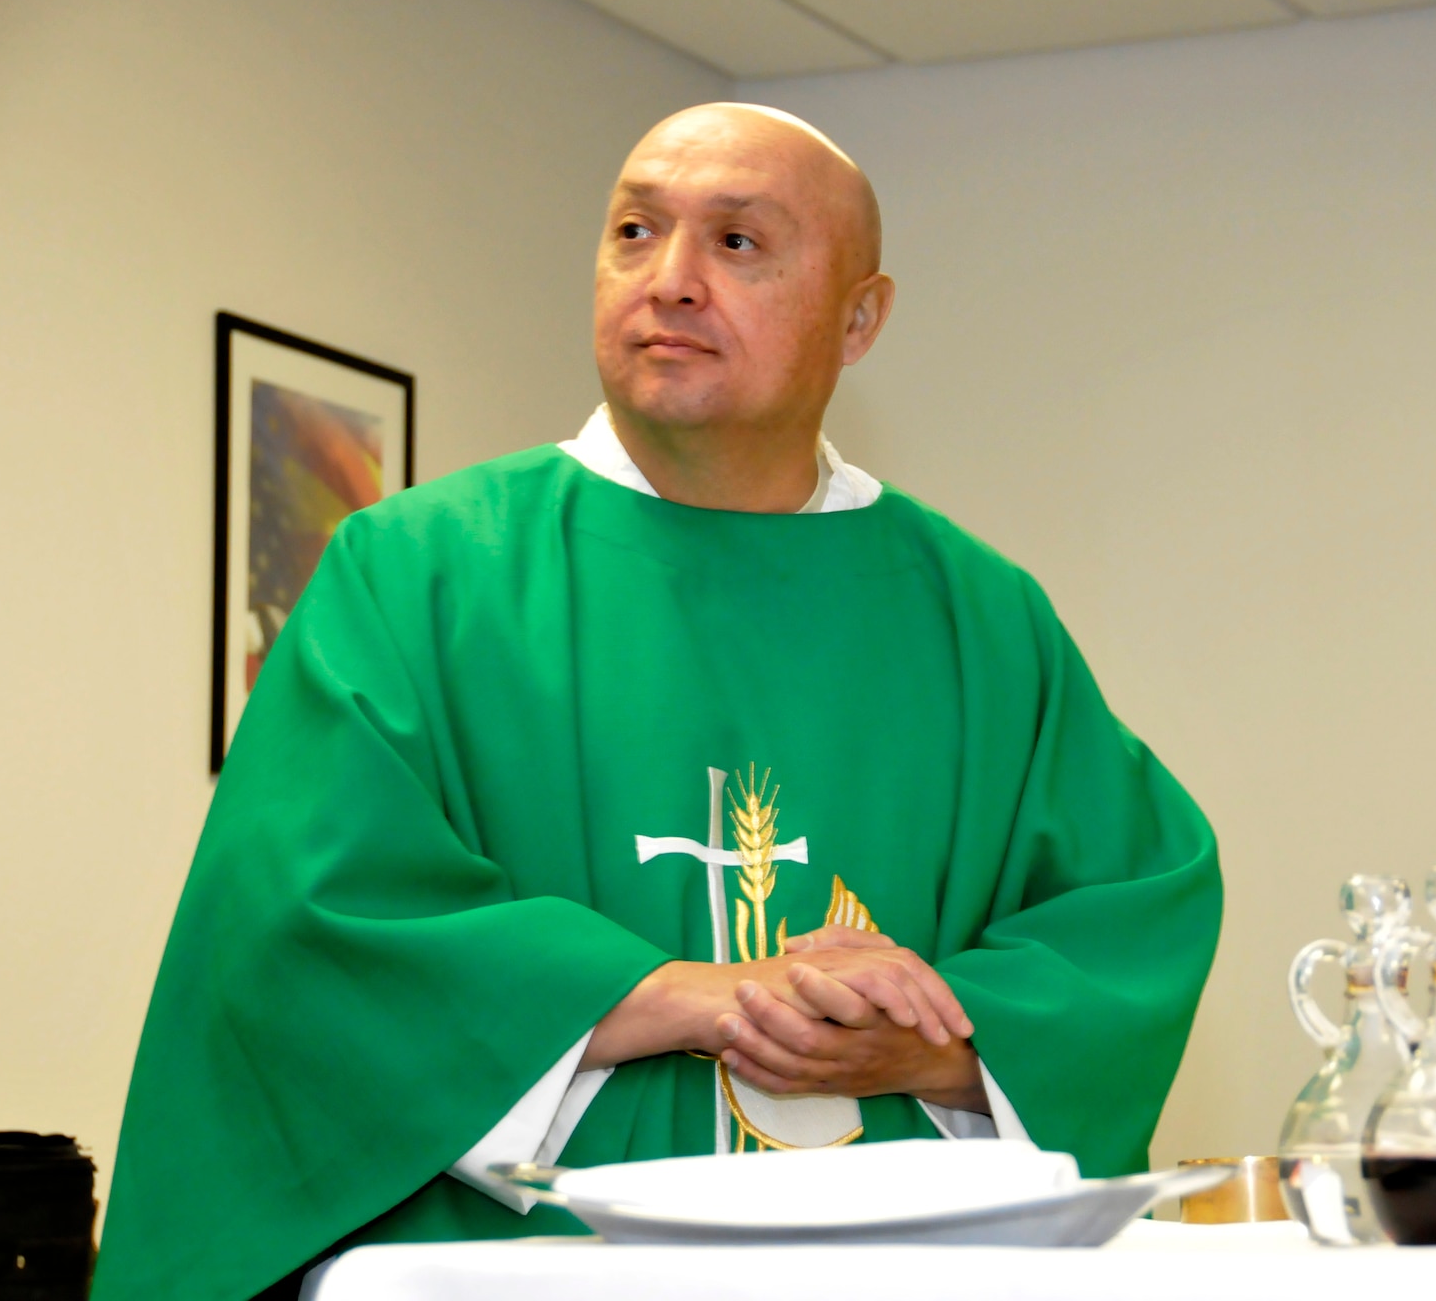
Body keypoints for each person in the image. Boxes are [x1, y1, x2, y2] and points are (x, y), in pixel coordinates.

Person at [91, 103, 1222, 1301]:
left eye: (736, 243)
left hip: (890, 1264)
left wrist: (943, 1045)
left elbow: (1131, 909)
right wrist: (682, 994)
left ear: (859, 317)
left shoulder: (977, 614)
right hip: (522, 1268)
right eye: (635, 230)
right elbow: (300, 920)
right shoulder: (418, 569)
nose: (670, 280)